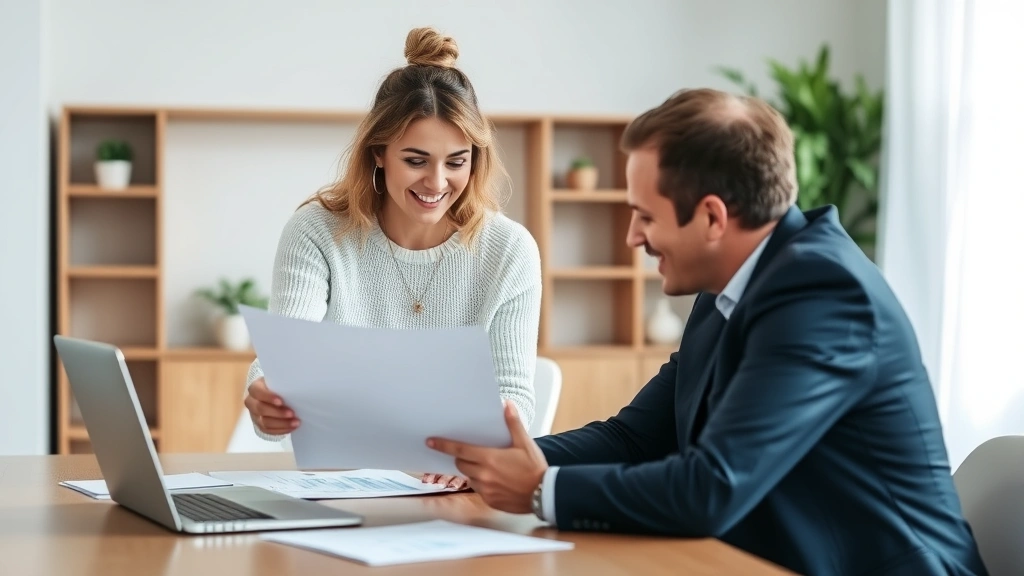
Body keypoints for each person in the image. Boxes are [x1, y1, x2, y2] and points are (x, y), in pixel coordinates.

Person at [426, 88, 988, 575]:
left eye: (646, 216)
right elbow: (636, 438)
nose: (632, 237)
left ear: (713, 218)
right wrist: (495, 460)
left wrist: (538, 489)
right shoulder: (729, 288)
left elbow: (712, 487)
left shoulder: (822, 295)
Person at [243, 27, 542, 491]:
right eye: (416, 160)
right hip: (337, 483)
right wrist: (266, 396)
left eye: (456, 162)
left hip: (450, 487)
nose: (437, 182)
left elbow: (514, 396)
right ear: (379, 153)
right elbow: (284, 361)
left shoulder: (509, 250)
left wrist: (480, 445)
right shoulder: (317, 231)